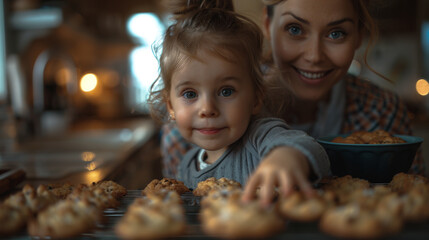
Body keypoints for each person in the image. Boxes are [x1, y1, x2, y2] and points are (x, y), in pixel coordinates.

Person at [160, 0, 425, 183]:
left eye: (336, 34)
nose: (314, 56)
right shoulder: (188, 130)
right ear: (267, 24)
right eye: (295, 29)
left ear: (359, 35)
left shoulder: (382, 112)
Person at [149, 0, 330, 205]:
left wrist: (286, 157)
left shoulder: (261, 137)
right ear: (171, 106)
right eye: (190, 94)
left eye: (226, 91)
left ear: (255, 98)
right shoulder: (185, 167)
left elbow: (307, 146)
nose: (208, 109)